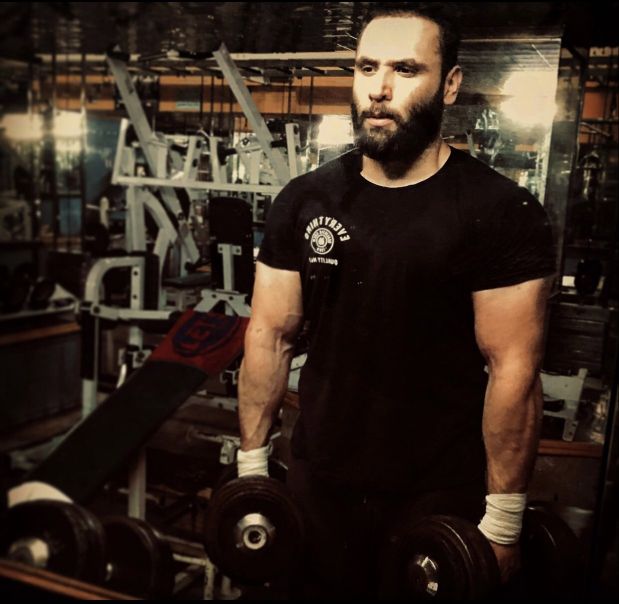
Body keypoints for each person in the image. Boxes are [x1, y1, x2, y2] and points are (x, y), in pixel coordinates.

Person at [237, 3, 556, 598]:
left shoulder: (500, 211)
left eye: (405, 70)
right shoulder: (304, 200)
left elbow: (513, 369)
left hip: (437, 497)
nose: (379, 89)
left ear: (450, 85)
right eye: (367, 67)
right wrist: (252, 474)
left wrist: (504, 521)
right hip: (318, 487)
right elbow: (269, 335)